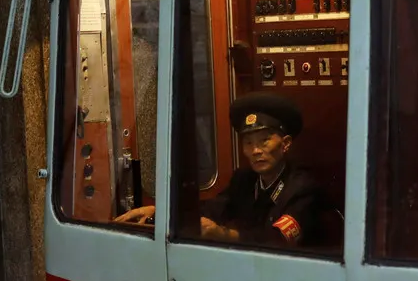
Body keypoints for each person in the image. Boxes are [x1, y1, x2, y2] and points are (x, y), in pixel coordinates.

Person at [116, 91, 329, 248]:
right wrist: (160, 211)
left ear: (286, 144)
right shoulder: (244, 181)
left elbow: (277, 240)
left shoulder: (303, 188)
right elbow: (211, 209)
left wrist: (223, 235)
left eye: (264, 141)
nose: (255, 150)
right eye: (248, 143)